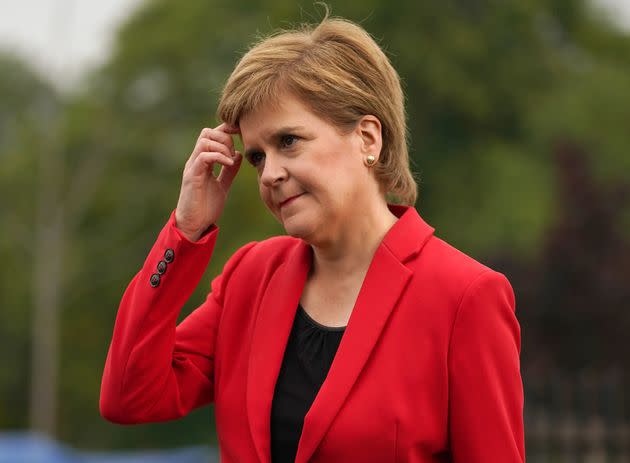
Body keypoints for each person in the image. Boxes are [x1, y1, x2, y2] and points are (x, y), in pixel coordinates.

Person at [100, 13, 525, 463]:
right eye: (257, 157)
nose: (271, 174)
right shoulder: (250, 277)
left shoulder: (464, 297)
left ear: (367, 138)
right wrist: (185, 233)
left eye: (289, 141)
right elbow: (130, 397)